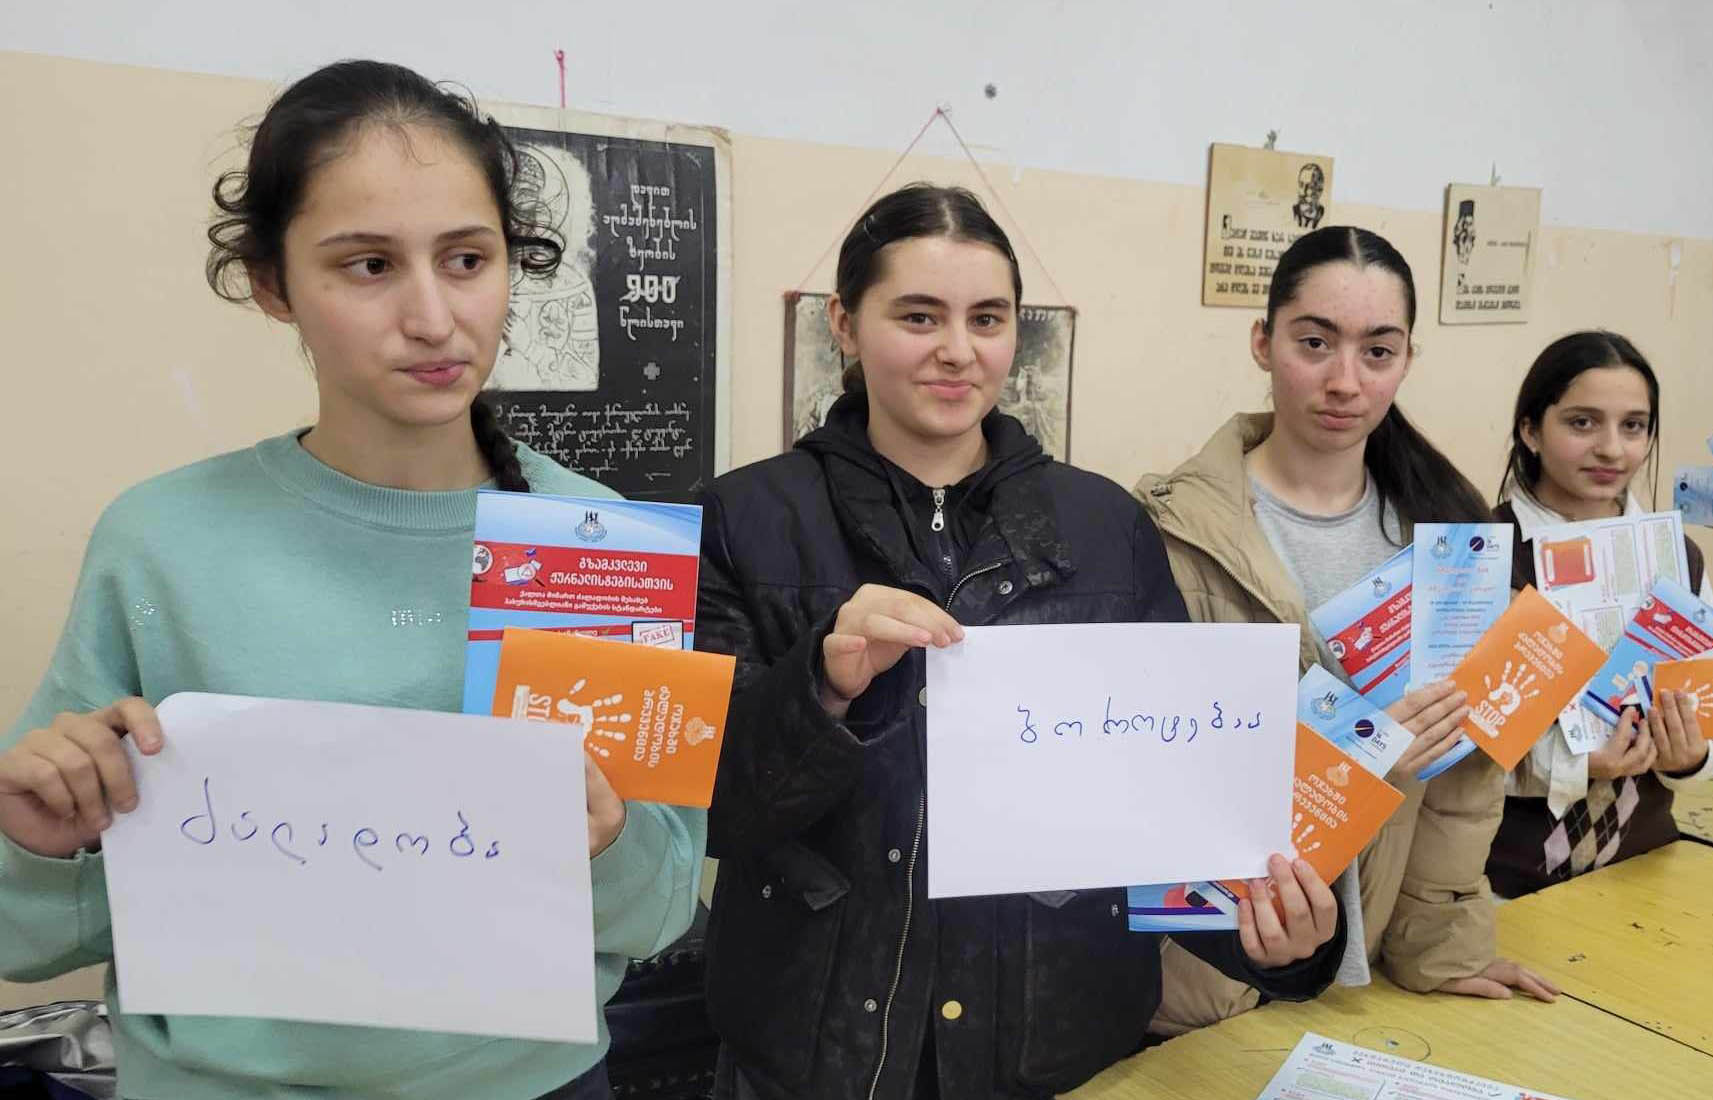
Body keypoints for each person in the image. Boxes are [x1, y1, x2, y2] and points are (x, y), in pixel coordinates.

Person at [0, 60, 703, 1100]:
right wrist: (45, 847)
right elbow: (30, 935)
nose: (433, 316)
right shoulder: (158, 539)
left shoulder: (606, 544)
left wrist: (606, 838)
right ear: (272, 283)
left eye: (467, 259)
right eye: (369, 265)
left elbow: (663, 906)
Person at [696, 183, 1344, 1100]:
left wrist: (1269, 939)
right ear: (844, 323)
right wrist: (821, 687)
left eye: (987, 319)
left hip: (1059, 1046)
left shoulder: (1105, 526)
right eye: (918, 316)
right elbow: (708, 812)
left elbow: (1162, 804)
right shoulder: (743, 518)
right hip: (811, 1052)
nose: (958, 351)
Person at [1135, 226, 1559, 1037]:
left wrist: (1444, 949)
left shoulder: (1445, 539)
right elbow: (1158, 780)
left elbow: (1462, 780)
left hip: (1370, 988)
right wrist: (1362, 750)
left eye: (1377, 352)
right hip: (1215, 986)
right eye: (1313, 342)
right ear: (1261, 343)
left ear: (1406, 361)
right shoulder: (1170, 532)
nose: (1343, 381)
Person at [1487, 330, 1711, 895]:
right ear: (1530, 430)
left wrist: (1690, 757)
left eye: (1633, 426)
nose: (1611, 449)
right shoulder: (1482, 553)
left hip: (1648, 866)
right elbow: (1450, 747)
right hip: (1505, 882)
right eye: (1582, 422)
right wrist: (1573, 764)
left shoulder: (1679, 559)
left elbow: (1706, 714)